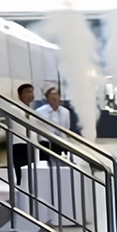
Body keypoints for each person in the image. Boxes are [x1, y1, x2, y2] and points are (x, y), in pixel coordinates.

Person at [35, 87, 75, 223]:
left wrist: (65, 142)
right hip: (46, 143)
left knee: (62, 167)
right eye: (52, 98)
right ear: (47, 99)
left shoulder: (65, 112)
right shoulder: (40, 112)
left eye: (57, 97)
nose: (55, 100)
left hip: (61, 142)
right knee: (48, 168)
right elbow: (40, 130)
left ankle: (62, 191)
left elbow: (66, 128)